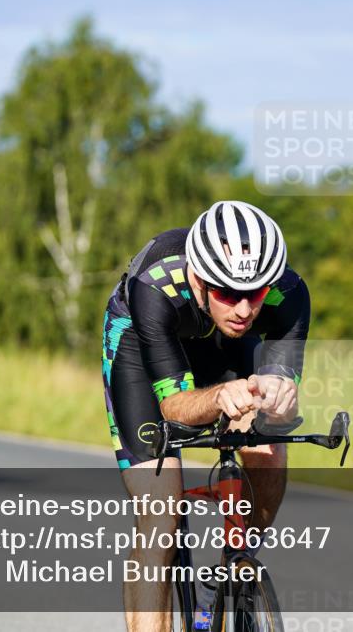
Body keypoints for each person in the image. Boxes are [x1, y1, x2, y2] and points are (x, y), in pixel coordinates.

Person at [101, 200, 310, 631]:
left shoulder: (288, 293)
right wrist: (219, 399)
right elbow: (173, 407)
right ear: (199, 279)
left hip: (228, 349)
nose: (243, 309)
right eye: (228, 293)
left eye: (254, 294)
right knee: (161, 510)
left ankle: (232, 569)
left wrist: (279, 393)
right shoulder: (153, 287)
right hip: (144, 349)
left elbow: (278, 375)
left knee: (268, 445)